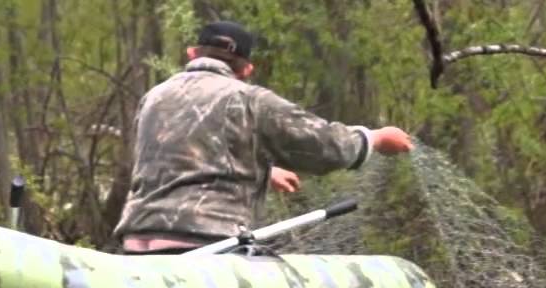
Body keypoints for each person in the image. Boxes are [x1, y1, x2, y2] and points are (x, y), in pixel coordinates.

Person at [112, 20, 414, 255]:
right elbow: (325, 147)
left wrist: (264, 170)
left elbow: (182, 153)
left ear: (192, 54)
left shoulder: (153, 97)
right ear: (246, 69)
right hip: (205, 247)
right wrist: (374, 138)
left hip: (136, 243)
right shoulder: (250, 100)